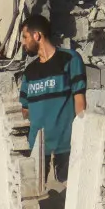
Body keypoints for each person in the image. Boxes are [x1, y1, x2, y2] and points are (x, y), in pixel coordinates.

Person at [19, 14, 87, 186]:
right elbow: (24, 109)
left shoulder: (70, 59)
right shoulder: (30, 72)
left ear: (37, 36)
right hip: (37, 151)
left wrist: (81, 138)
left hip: (65, 148)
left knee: (66, 199)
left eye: (25, 37)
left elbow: (80, 102)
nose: (23, 43)